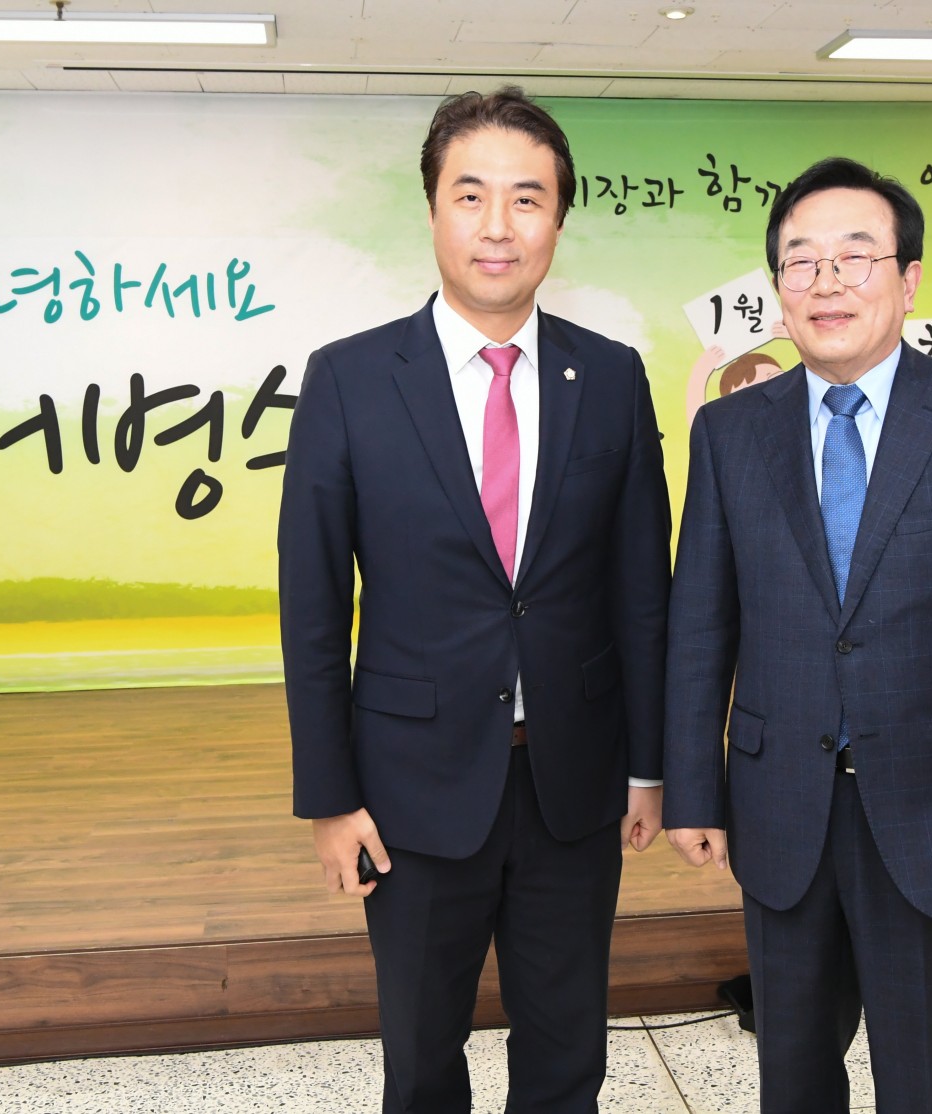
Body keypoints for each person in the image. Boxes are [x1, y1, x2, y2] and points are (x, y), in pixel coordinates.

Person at [278, 86, 671, 1114]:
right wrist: (329, 797)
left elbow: (642, 590)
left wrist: (649, 766)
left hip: (572, 784)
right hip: (408, 789)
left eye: (527, 198)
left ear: (558, 221)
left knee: (567, 1055)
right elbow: (313, 607)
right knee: (420, 1060)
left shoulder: (612, 377)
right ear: (432, 211)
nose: (499, 225)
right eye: (471, 195)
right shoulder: (350, 380)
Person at [663, 157, 932, 1114]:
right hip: (779, 803)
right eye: (801, 261)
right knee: (793, 1077)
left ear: (910, 279)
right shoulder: (730, 432)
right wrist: (692, 788)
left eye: (856, 257)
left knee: (928, 1081)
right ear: (780, 288)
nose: (828, 282)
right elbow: (700, 626)